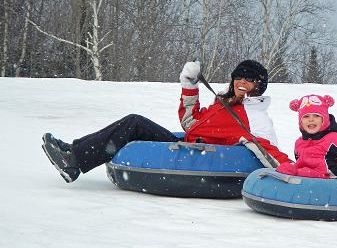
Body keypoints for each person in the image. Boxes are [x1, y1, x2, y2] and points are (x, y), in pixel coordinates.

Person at [42, 60, 293, 183]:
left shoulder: (254, 115)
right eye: (238, 77)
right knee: (135, 123)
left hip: (202, 154)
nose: (241, 83)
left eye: (248, 80)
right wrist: (190, 86)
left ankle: (74, 160)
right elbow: (190, 122)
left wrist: (294, 172)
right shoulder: (224, 104)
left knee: (133, 123)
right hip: (188, 143)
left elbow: (265, 148)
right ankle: (73, 153)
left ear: (259, 86)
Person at [276, 94, 337, 188]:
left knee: (293, 171)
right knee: (286, 168)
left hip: (331, 182)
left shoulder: (335, 139)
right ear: (300, 122)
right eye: (306, 116)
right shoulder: (299, 143)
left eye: (316, 116)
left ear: (324, 119)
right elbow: (301, 164)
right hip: (306, 183)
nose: (311, 120)